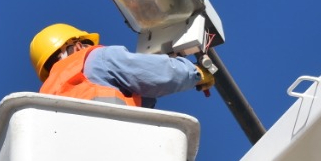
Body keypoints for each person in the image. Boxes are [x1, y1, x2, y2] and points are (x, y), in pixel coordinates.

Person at [29, 23, 215, 107]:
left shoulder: (42, 99)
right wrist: (194, 73)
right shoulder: (93, 59)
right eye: (87, 44)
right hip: (114, 152)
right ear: (77, 45)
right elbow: (153, 74)